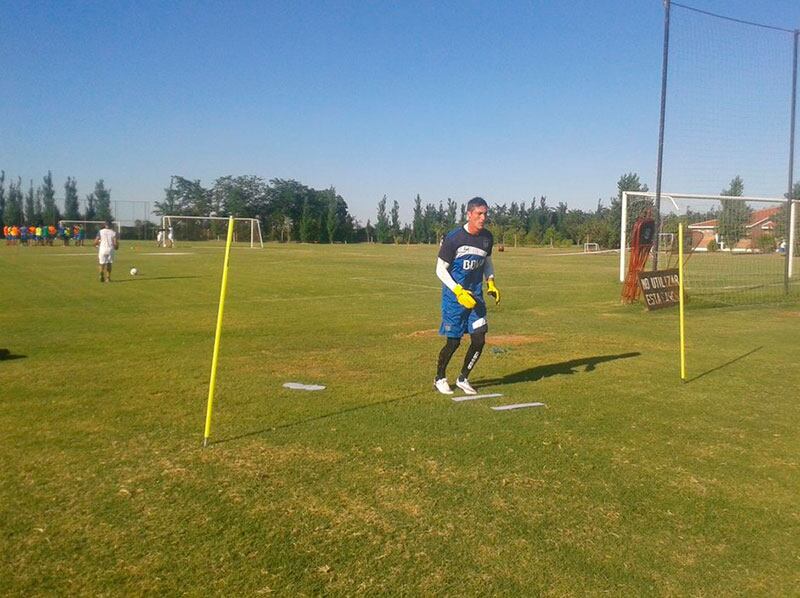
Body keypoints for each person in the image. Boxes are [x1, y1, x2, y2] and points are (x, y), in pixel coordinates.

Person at [433, 197, 501, 395]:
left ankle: (463, 377)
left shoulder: (487, 238)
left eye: (485, 214)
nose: (483, 218)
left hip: (476, 298)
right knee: (453, 342)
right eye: (479, 214)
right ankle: (439, 377)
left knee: (479, 339)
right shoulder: (454, 238)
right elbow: (440, 269)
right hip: (455, 299)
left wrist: (491, 282)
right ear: (469, 214)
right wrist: (458, 291)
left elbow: (487, 262)